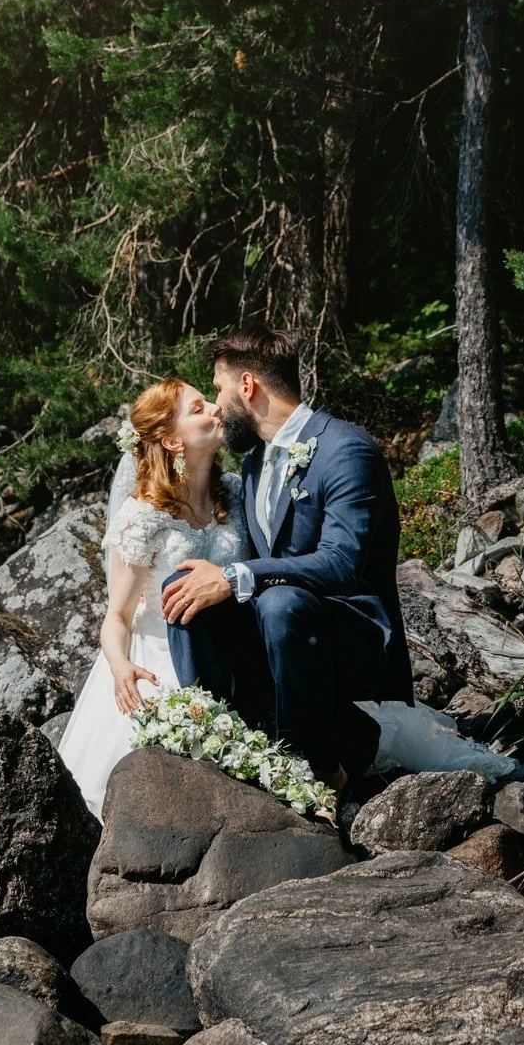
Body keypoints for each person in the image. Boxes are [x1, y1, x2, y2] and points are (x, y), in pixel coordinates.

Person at [159, 325, 413, 792]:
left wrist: (237, 576)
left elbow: (341, 563)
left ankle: (319, 769)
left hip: (348, 633)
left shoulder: (345, 450)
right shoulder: (254, 460)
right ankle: (217, 741)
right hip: (283, 633)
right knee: (184, 585)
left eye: (218, 388)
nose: (217, 404)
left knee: (276, 603)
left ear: (248, 385)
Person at [54, 378, 247, 816]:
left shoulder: (234, 491)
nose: (217, 409)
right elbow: (117, 617)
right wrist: (121, 669)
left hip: (234, 650)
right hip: (160, 660)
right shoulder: (143, 518)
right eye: (199, 408)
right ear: (173, 441)